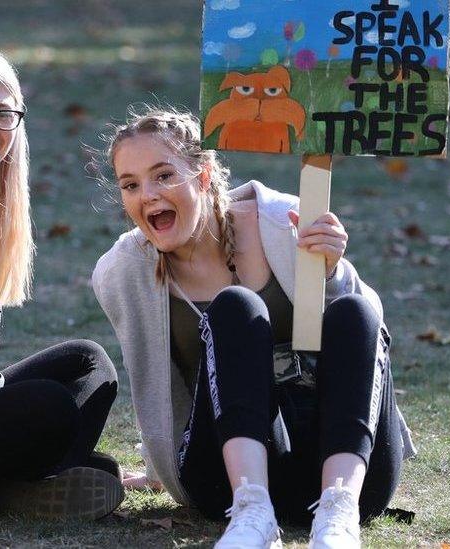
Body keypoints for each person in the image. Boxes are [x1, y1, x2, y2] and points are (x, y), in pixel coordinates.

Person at [91, 106, 416, 547]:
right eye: (131, 184)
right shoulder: (122, 272)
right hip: (224, 483)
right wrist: (157, 466)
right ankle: (253, 510)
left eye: (164, 176)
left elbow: (370, 339)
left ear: (204, 175)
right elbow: (155, 383)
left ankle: (338, 516)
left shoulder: (284, 222)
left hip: (342, 466)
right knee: (234, 307)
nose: (147, 194)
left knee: (354, 309)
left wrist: (333, 273)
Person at [0, 38, 122, 520]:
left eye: (2, 114)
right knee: (48, 408)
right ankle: (17, 480)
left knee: (88, 365)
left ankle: (11, 486)